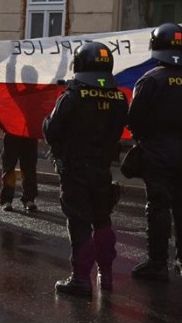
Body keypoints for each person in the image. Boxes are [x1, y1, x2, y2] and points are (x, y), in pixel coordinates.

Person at [43, 42, 128, 296]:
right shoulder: (119, 97)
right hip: (102, 169)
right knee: (102, 221)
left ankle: (81, 279)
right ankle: (106, 274)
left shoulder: (72, 96)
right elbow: (117, 131)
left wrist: (47, 119)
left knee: (79, 224)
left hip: (75, 170)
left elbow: (52, 131)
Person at [127, 23, 182, 280]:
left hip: (157, 151)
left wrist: (143, 138)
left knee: (158, 206)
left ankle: (157, 263)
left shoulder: (150, 80)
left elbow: (134, 119)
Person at [0, 133, 39, 211]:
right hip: (12, 134)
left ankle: (29, 199)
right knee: (9, 168)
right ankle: (7, 199)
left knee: (29, 168)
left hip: (29, 135)